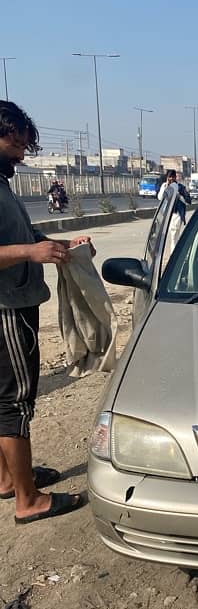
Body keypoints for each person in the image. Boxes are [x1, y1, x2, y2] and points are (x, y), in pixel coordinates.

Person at [0, 100, 93, 524]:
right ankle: (29, 499)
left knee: (2, 403)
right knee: (14, 404)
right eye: (15, 143)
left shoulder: (2, 184)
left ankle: (8, 480)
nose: (21, 153)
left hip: (12, 303)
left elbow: (21, 233)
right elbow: (18, 246)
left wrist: (57, 245)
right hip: (8, 309)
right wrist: (30, 252)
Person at [159, 170, 191, 255]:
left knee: (174, 235)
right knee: (173, 236)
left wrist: (179, 195)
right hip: (167, 215)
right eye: (170, 177)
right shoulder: (165, 186)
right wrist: (166, 185)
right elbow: (160, 197)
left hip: (176, 215)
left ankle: (173, 254)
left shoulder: (180, 187)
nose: (171, 178)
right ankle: (176, 253)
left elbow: (188, 201)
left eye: (173, 177)